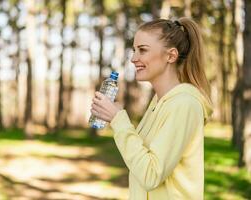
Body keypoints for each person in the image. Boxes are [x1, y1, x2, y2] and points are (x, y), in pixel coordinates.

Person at [90, 18, 213, 200]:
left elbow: (151, 175)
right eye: (134, 50)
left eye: (143, 50)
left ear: (171, 56)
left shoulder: (185, 104)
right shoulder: (159, 101)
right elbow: (141, 162)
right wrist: (114, 118)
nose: (133, 58)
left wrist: (118, 119)